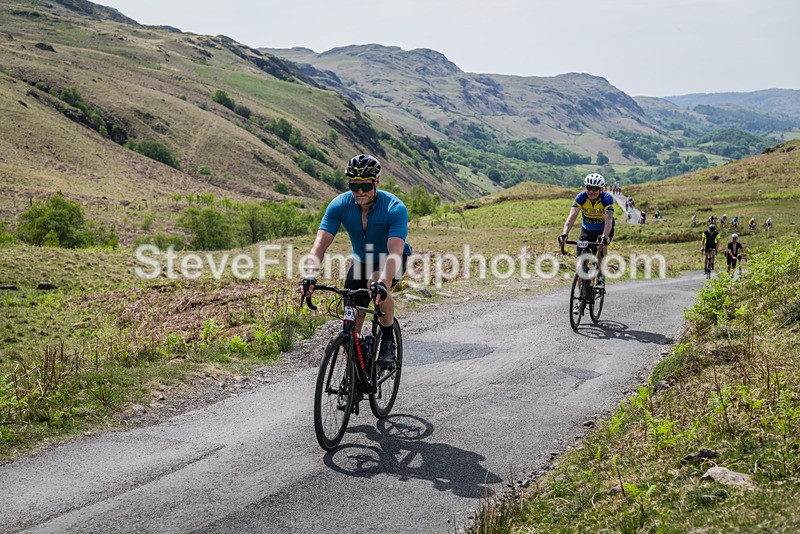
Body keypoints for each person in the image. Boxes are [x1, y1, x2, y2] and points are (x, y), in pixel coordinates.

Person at [299, 154, 411, 368]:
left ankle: (388, 339)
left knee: (375, 283)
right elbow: (320, 245)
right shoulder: (339, 205)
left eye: (366, 186)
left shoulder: (394, 208)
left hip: (390, 260)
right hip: (361, 263)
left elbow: (395, 251)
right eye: (354, 186)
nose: (360, 191)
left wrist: (384, 282)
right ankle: (353, 375)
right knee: (351, 323)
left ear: (377, 182)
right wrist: (310, 275)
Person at [559, 173, 615, 285]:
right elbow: (571, 217)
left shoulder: (606, 198)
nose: (591, 192)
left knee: (602, 245)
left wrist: (604, 236)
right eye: (589, 188)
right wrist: (564, 233)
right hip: (587, 230)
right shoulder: (581, 197)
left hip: (604, 229)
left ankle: (601, 274)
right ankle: (581, 295)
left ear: (601, 189)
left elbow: (608, 220)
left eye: (595, 189)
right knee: (580, 267)